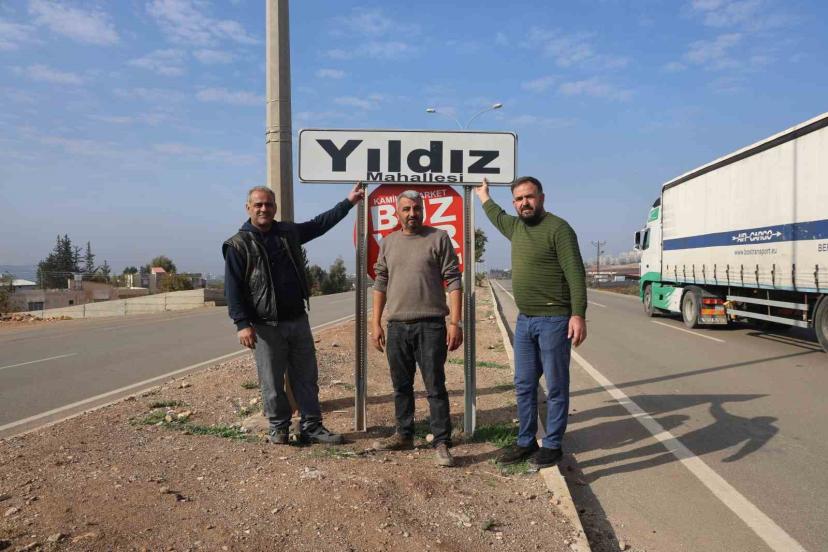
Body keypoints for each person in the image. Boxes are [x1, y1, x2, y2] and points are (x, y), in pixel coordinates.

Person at [222, 183, 364, 445]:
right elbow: (232, 289)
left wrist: (348, 202)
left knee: (306, 377)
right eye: (258, 205)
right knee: (272, 381)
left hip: (298, 320)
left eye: (268, 204)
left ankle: (312, 426)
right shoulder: (238, 245)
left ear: (275, 207)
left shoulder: (287, 233)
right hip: (265, 326)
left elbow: (320, 224)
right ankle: (278, 428)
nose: (264, 209)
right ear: (248, 208)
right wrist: (242, 323)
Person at [475, 176, 587, 469]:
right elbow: (496, 215)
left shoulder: (559, 229)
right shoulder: (515, 227)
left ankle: (552, 445)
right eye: (519, 199)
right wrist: (483, 195)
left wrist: (578, 314)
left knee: (556, 385)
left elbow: (575, 274)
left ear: (542, 198)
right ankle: (525, 441)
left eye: (529, 197)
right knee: (524, 384)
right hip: (525, 321)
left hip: (555, 320)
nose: (524, 203)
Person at [370, 190, 463, 467]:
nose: (413, 214)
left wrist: (454, 323)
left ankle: (442, 441)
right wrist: (375, 322)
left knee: (435, 386)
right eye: (407, 209)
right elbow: (380, 283)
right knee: (401, 385)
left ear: (423, 211)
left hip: (431, 325)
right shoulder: (387, 243)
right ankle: (404, 434)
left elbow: (453, 281)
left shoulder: (439, 238)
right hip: (397, 326)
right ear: (397, 213)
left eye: (417, 209)